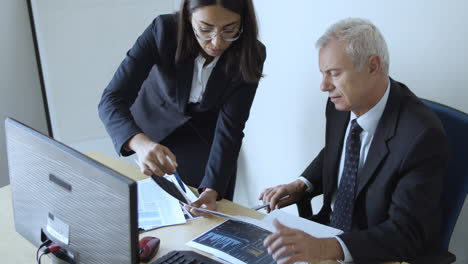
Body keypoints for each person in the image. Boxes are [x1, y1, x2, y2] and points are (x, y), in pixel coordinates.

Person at [259, 18, 448, 263]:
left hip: (376, 251)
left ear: (372, 66)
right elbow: (338, 150)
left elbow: (406, 232)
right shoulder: (340, 104)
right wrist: (301, 184)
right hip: (326, 232)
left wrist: (326, 248)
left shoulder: (421, 137)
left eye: (334, 74)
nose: (324, 86)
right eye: (323, 74)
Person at [98, 0, 266, 214]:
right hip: (155, 126)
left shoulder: (252, 52)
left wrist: (212, 188)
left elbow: (231, 128)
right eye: (205, 29)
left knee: (207, 214)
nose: (216, 42)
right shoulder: (163, 31)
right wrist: (140, 144)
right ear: (188, 17)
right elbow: (111, 99)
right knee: (154, 213)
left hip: (207, 138)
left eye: (229, 30)